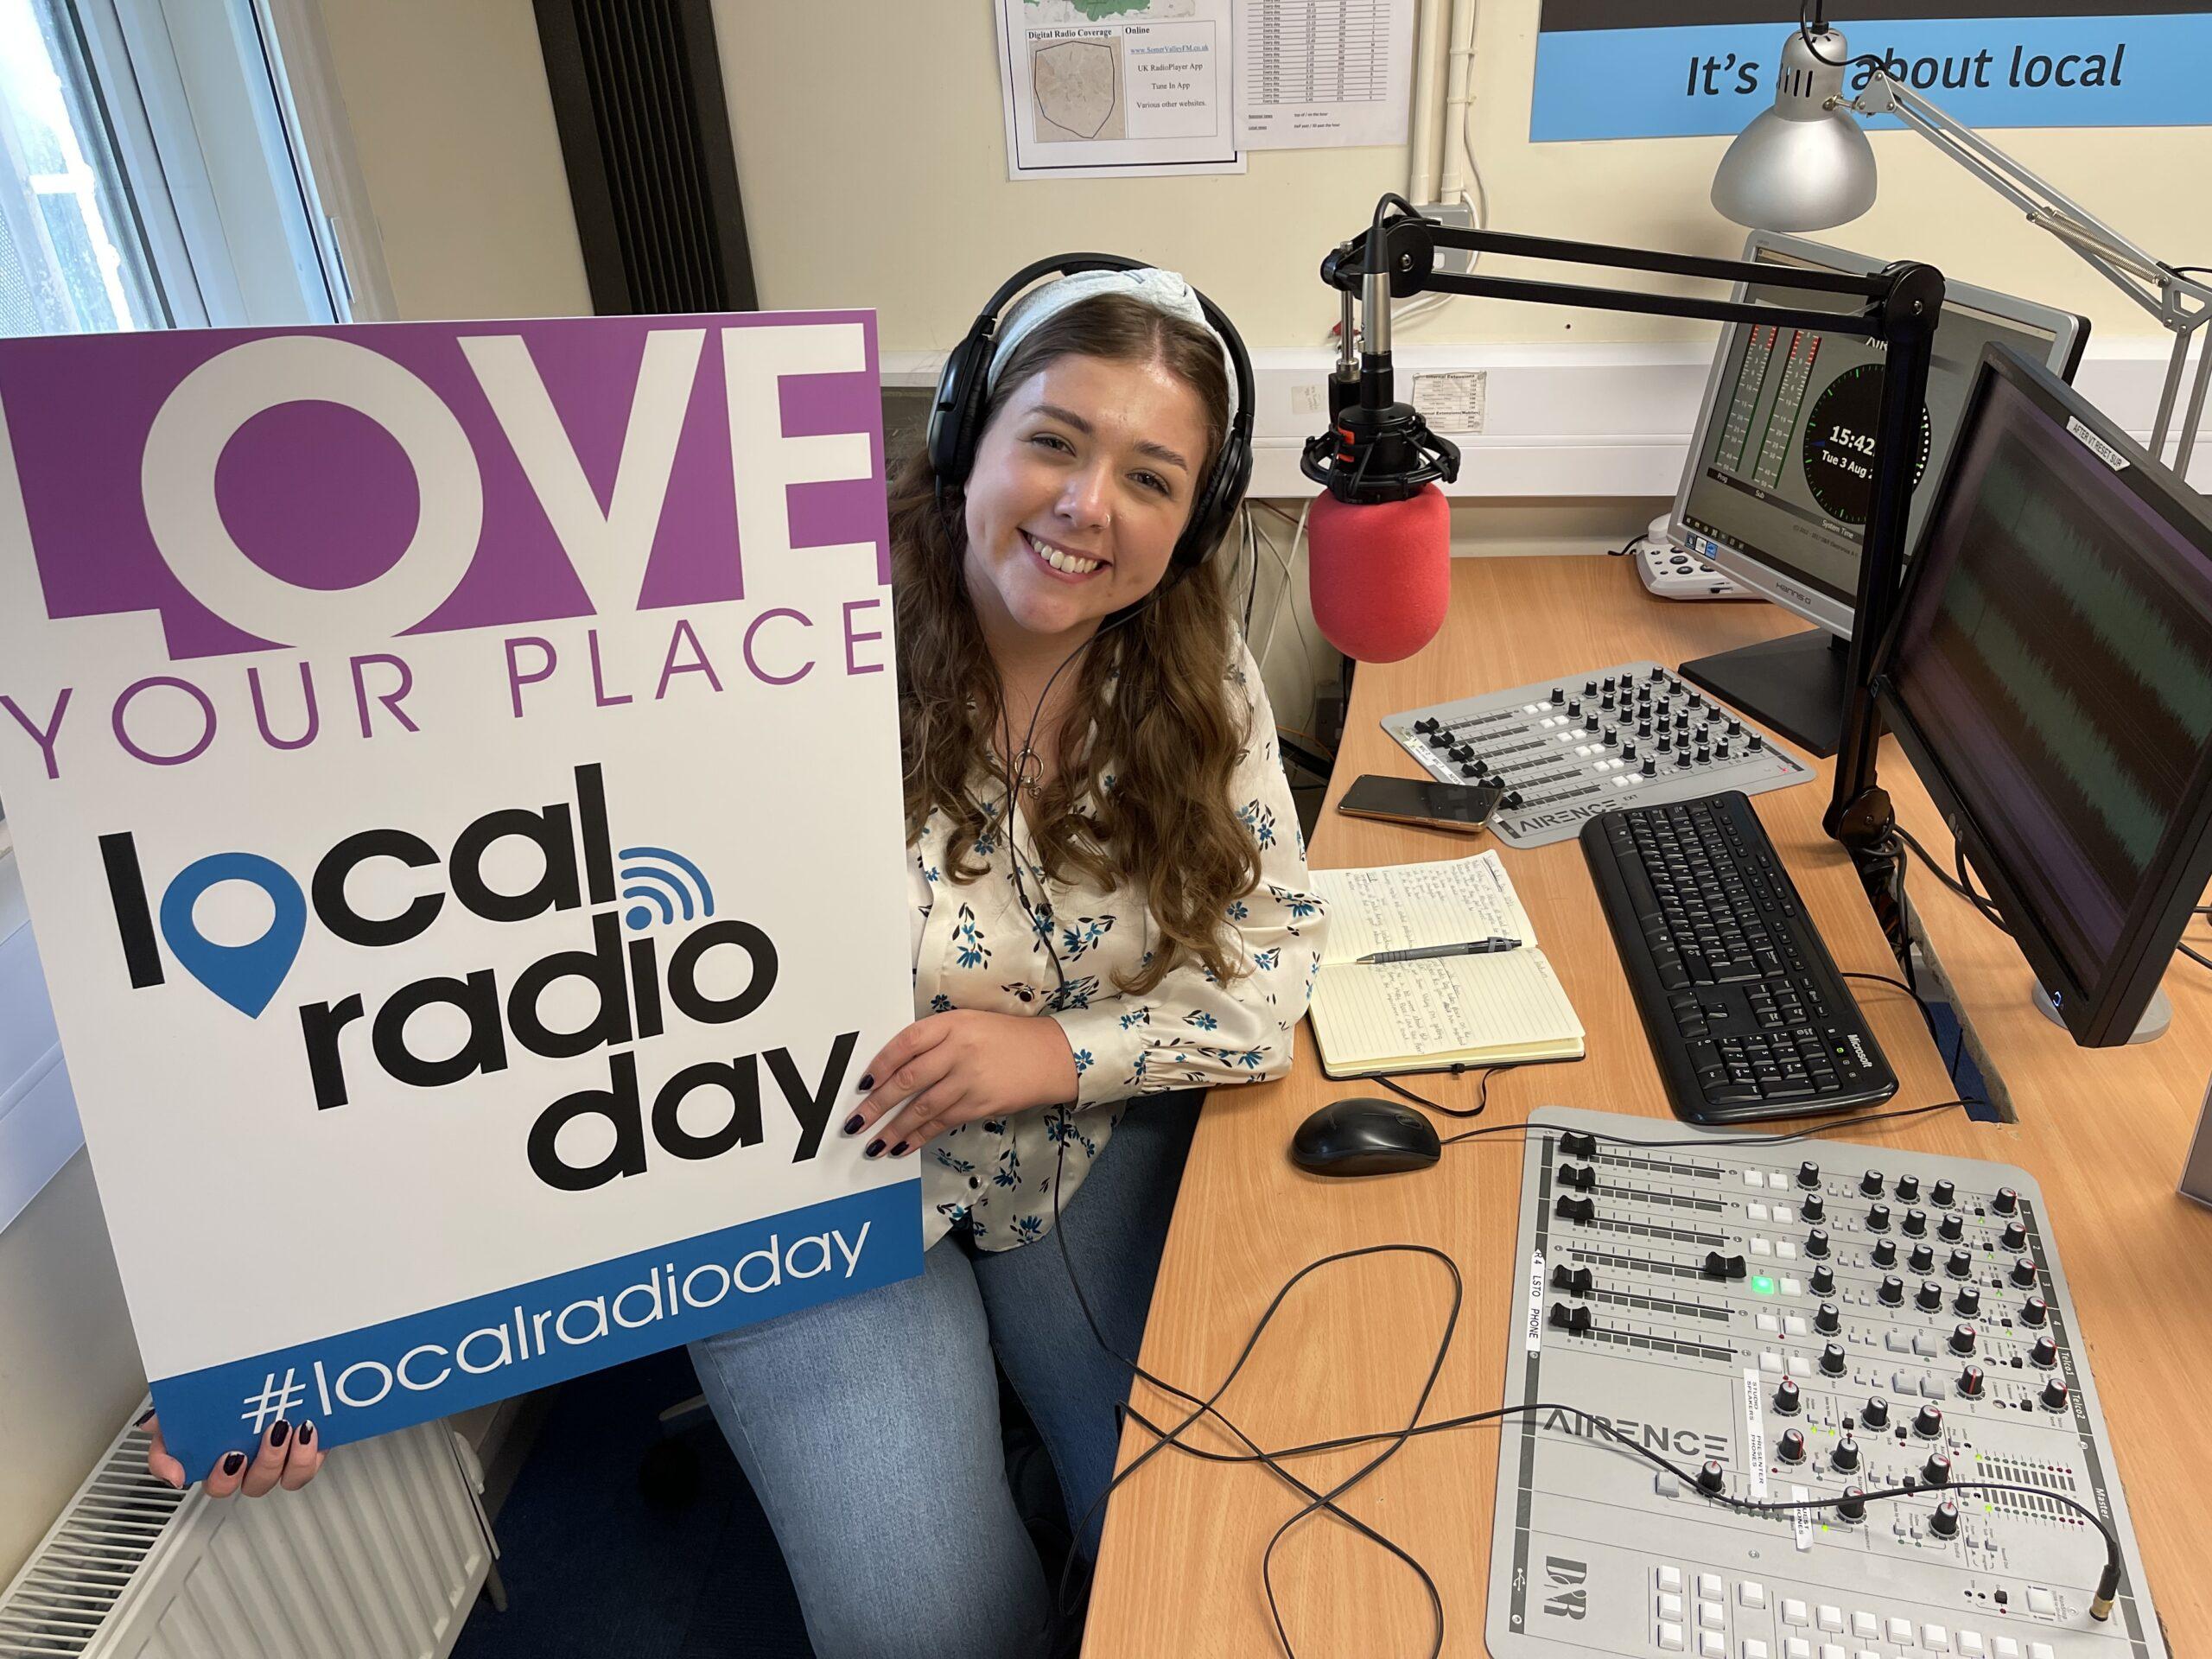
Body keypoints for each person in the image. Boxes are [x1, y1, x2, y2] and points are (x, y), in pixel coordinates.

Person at [144, 261, 1325, 1659]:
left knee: (1196, 1530)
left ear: (1195, 522)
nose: (1087, 507)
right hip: (802, 1183)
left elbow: (1269, 968)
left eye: (1151, 476)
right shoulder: (750, 633)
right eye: (1055, 442)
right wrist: (291, 1340)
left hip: (1074, 1145)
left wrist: (1058, 1053)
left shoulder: (1185, 672)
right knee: (930, 1634)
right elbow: (473, 982)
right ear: (968, 440)